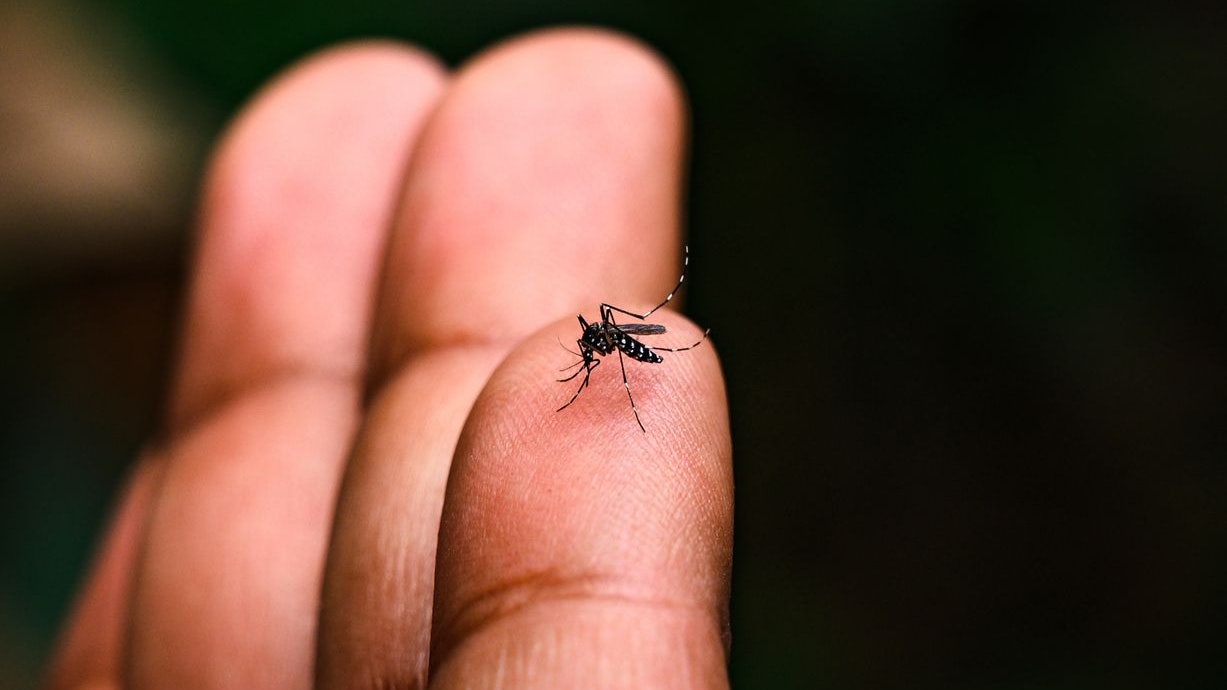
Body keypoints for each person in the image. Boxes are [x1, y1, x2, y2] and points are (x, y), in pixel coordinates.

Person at [45, 27, 733, 689]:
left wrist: (623, 360)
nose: (592, 347)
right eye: (594, 347)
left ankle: (669, 337)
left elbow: (606, 351)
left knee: (619, 347)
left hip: (641, 353)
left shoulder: (610, 346)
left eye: (595, 346)